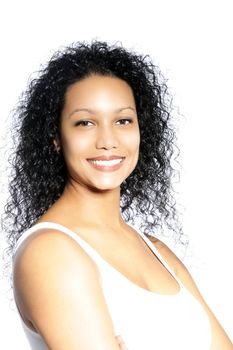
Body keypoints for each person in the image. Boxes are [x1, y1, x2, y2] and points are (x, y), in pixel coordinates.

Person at [3, 41, 232, 350]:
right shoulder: (49, 251)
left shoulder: (158, 252)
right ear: (56, 138)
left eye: (123, 120)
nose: (108, 140)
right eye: (85, 123)